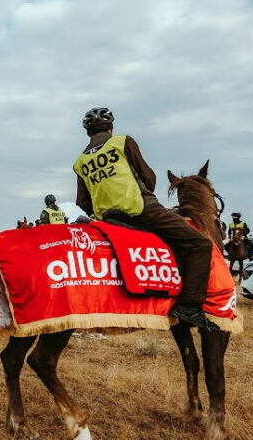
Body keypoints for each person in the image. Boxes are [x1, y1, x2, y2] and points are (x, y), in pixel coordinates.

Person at [74, 107, 216, 331]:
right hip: (144, 211)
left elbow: (82, 202)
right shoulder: (122, 142)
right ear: (111, 129)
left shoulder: (81, 162)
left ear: (88, 133)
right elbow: (148, 177)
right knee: (200, 243)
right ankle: (188, 306)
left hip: (108, 220)